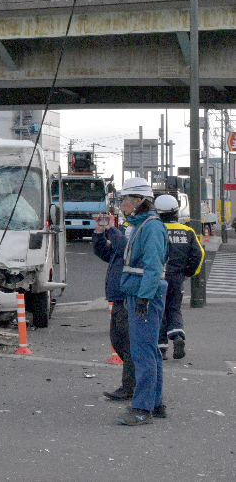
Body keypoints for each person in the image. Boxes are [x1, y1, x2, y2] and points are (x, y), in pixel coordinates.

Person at [116, 177, 169, 426]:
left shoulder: (150, 227)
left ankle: (142, 408)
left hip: (144, 294)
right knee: (150, 352)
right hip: (141, 293)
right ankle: (154, 404)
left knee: (143, 353)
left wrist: (145, 298)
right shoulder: (144, 225)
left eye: (124, 199)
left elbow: (153, 266)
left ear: (138, 201)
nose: (121, 203)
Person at [92, 211, 136, 402]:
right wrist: (100, 234)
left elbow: (125, 249)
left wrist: (111, 230)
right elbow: (106, 253)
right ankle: (133, 383)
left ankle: (130, 387)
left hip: (129, 297)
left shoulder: (142, 231)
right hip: (119, 297)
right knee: (118, 340)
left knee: (128, 344)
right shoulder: (128, 230)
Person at [154, 194, 204, 360]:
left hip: (158, 276)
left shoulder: (155, 229)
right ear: (176, 211)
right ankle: (177, 337)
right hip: (177, 277)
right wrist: (189, 272)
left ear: (158, 212)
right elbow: (198, 254)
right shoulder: (187, 231)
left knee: (158, 310)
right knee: (174, 308)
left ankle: (161, 349)